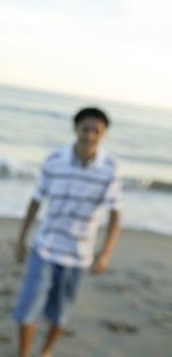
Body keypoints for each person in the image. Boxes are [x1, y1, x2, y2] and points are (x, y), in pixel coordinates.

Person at [13, 107, 122, 357]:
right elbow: (36, 200)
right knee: (27, 310)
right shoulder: (55, 160)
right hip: (45, 248)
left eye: (96, 131)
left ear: (103, 134)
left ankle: (46, 352)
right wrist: (21, 239)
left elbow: (116, 213)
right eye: (85, 129)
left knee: (60, 314)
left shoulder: (110, 168)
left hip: (78, 255)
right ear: (76, 129)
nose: (90, 135)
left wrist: (105, 253)